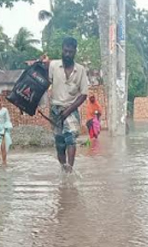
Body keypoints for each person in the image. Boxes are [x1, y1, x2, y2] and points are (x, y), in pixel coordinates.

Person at [42, 37, 89, 173]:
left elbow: (83, 95)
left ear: (75, 52)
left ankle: (70, 170)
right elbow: (44, 83)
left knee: (70, 138)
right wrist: (42, 67)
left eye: (70, 52)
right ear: (62, 50)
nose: (67, 54)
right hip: (55, 110)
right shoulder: (53, 66)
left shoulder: (80, 70)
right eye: (65, 51)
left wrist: (68, 111)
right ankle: (64, 170)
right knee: (60, 144)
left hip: (71, 109)